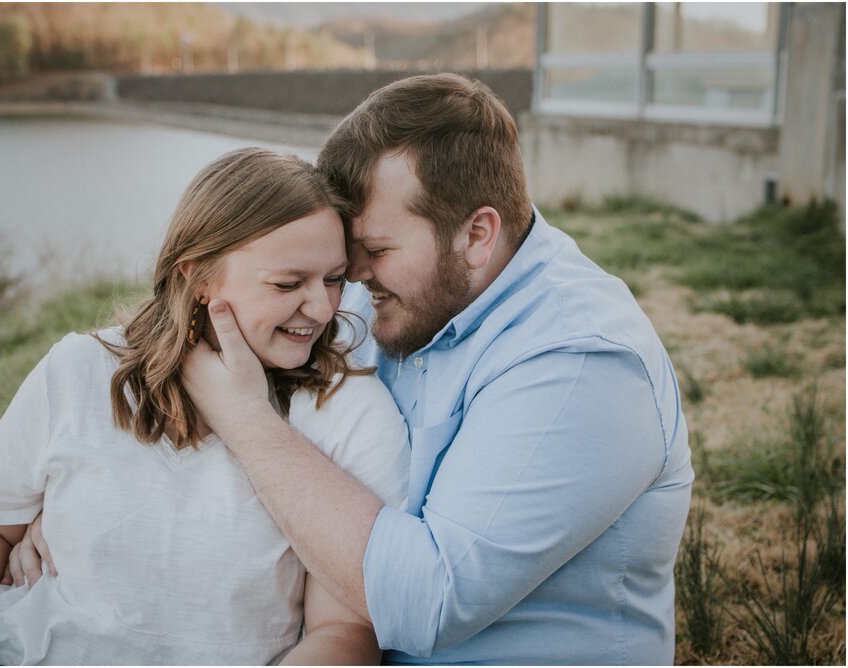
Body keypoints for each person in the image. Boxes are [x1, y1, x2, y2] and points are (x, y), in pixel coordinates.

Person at [176, 74, 695, 664]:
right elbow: (225, 329)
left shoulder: (582, 360)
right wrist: (67, 494)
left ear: (476, 234)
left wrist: (245, 419)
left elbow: (430, 601)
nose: (352, 276)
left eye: (377, 250)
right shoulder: (387, 294)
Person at [0, 148, 410, 666]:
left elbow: (343, 632)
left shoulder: (350, 409)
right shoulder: (79, 368)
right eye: (288, 282)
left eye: (334, 280)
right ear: (196, 277)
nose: (320, 307)